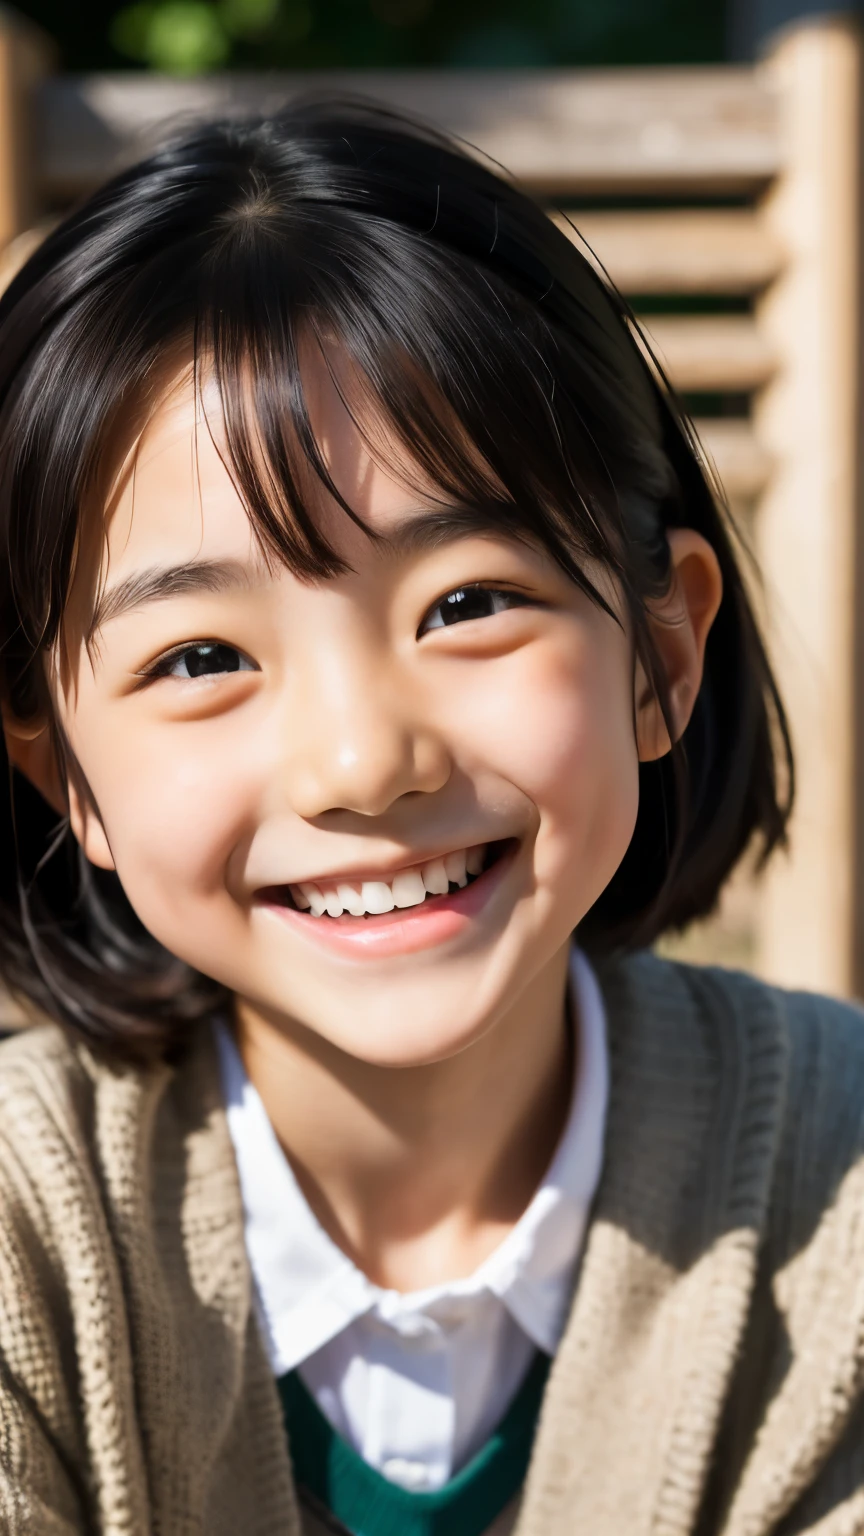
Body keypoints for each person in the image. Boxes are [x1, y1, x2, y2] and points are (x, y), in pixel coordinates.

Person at [0, 99, 861, 1536]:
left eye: (468, 604)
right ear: (60, 772)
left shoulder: (834, 1179)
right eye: (200, 657)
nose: (361, 761)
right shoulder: (30, 1241)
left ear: (664, 653)